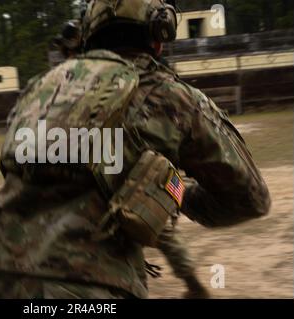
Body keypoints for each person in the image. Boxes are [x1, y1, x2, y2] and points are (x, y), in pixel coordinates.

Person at [0, 0, 270, 299]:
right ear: (159, 34)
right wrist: (175, 192)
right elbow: (249, 198)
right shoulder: (171, 96)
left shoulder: (43, 87)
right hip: (90, 284)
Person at [54, 15, 210, 299]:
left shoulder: (98, 76)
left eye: (69, 49)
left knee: (144, 229)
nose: (66, 56)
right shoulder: (100, 73)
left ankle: (191, 283)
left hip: (127, 166)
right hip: (124, 165)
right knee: (146, 230)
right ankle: (192, 283)